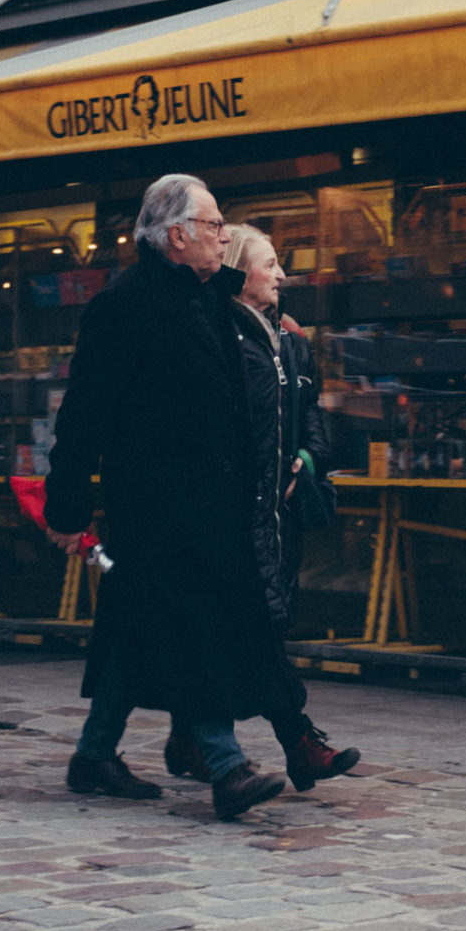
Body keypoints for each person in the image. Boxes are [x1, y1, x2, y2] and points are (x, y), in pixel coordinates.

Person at [43, 174, 293, 820]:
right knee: (196, 624)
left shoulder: (210, 297)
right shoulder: (123, 306)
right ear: (176, 236)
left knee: (139, 625)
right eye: (213, 225)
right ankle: (227, 766)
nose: (223, 236)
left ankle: (94, 754)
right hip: (156, 506)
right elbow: (84, 414)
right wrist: (66, 506)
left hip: (215, 501)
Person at [165, 224, 359, 792]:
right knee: (254, 630)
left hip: (279, 518)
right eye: (270, 263)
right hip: (236, 516)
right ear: (238, 270)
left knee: (252, 629)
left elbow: (312, 419)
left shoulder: (291, 342)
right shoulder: (221, 339)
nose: (281, 274)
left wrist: (304, 460)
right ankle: (293, 744)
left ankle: (191, 737)